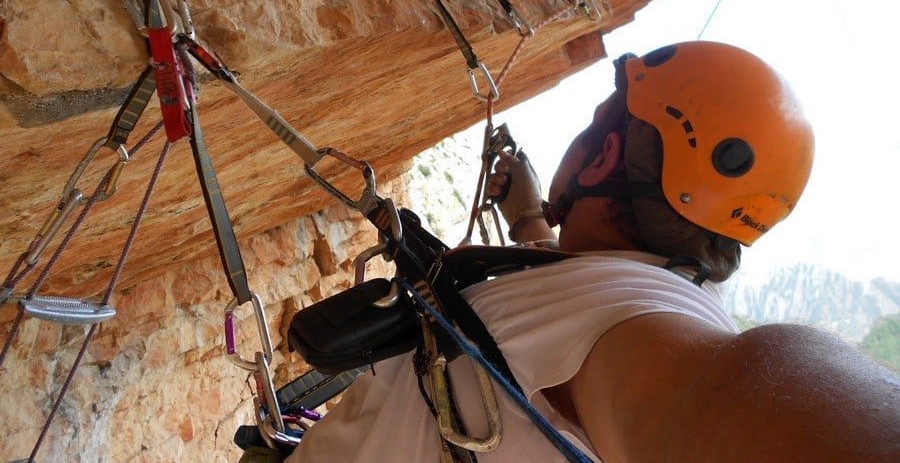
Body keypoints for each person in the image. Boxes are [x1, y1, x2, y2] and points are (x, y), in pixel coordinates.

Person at [286, 41, 898, 462]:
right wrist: (528, 219)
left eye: (592, 127)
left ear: (604, 158)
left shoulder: (653, 342)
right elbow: (573, 324)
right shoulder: (655, 296)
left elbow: (723, 394)